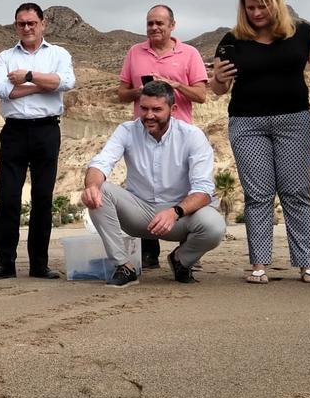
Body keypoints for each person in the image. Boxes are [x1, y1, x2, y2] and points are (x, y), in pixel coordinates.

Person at [209, 0, 310, 284]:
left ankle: (306, 264)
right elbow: (216, 89)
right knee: (258, 195)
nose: (256, 12)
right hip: (247, 124)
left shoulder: (301, 33)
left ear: (276, 3)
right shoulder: (231, 40)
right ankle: (259, 265)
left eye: (262, 5)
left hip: (294, 121)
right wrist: (220, 79)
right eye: (250, 7)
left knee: (296, 193)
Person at [81, 81, 225, 286]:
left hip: (181, 216)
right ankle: (123, 265)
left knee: (215, 227)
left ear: (173, 109)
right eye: (144, 108)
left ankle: (181, 260)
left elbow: (203, 190)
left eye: (157, 109)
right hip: (140, 213)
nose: (149, 115)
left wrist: (175, 211)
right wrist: (92, 186)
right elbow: (101, 163)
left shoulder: (192, 136)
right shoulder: (127, 130)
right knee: (98, 191)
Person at [0, 3, 76, 281]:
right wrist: (43, 86)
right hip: (14, 131)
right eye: (21, 23)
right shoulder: (5, 57)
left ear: (42, 24)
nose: (27, 28)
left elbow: (67, 82)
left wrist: (29, 77)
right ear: (16, 26)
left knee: (43, 198)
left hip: (47, 130)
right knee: (8, 198)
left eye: (32, 23)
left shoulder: (58, 54)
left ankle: (39, 263)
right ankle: (4, 263)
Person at [117, 4, 208, 269]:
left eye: (159, 23)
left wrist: (174, 85)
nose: (154, 28)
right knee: (144, 187)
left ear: (172, 25)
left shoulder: (189, 53)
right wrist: (142, 91)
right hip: (144, 132)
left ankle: (186, 249)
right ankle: (148, 250)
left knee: (185, 187)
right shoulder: (135, 52)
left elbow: (202, 95)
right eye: (150, 23)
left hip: (180, 134)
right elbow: (121, 94)